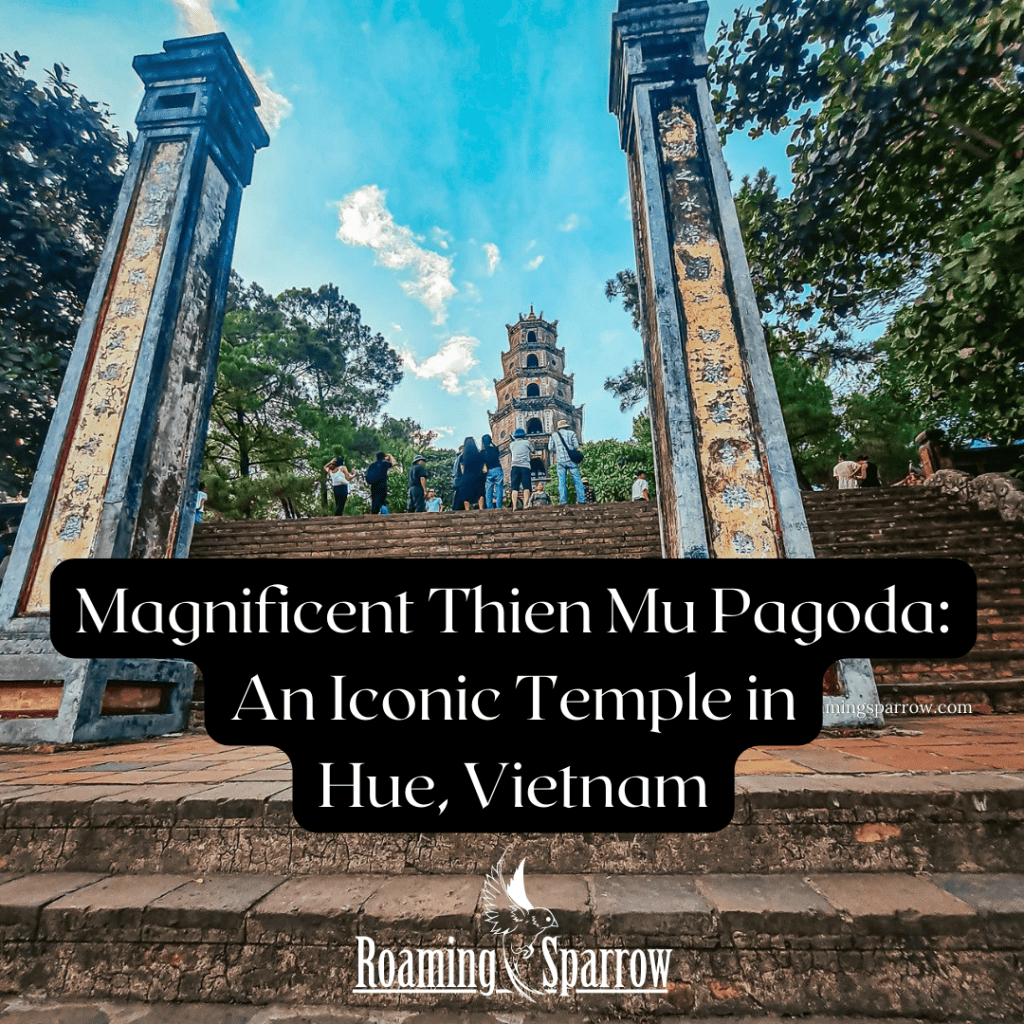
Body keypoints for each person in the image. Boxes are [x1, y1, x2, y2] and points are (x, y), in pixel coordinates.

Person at [549, 419, 586, 505]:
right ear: (566, 426)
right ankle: (581, 499)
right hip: (571, 461)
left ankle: (563, 501)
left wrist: (557, 450)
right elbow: (576, 446)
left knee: (562, 482)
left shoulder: (554, 435)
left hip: (560, 461)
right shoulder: (571, 433)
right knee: (577, 480)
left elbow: (550, 448)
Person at [454, 437, 485, 510]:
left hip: (467, 476)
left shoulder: (463, 456)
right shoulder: (479, 454)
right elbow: (483, 466)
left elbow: (462, 469)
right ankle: (481, 508)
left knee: (466, 494)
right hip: (478, 475)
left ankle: (467, 509)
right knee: (480, 493)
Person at [509, 428, 533, 510]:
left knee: (515, 488)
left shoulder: (511, 444)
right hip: (525, 466)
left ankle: (514, 506)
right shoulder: (527, 443)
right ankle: (525, 505)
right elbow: (533, 451)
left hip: (515, 466)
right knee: (526, 487)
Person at [481, 433, 504, 510]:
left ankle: (489, 507)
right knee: (499, 488)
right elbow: (497, 453)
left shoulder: (483, 452)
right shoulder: (495, 449)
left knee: (488, 489)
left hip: (489, 471)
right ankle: (499, 506)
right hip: (498, 469)